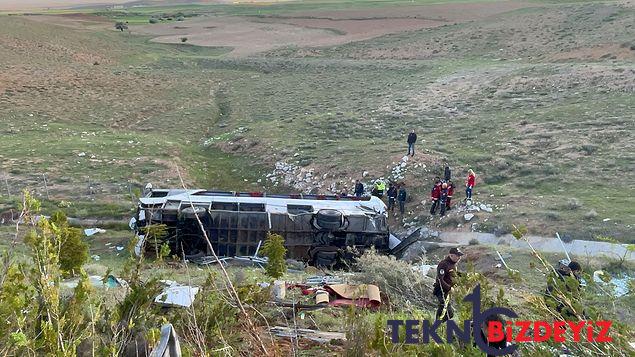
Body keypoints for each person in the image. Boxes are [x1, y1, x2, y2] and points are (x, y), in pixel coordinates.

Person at [433, 247, 464, 321]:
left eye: (459, 256)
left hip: (447, 292)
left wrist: (466, 275)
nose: (459, 258)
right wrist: (449, 288)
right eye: (457, 256)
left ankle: (437, 325)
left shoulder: (453, 264)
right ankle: (436, 325)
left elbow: (454, 273)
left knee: (444, 311)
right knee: (448, 312)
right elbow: (440, 280)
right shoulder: (443, 264)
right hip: (441, 290)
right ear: (451, 255)